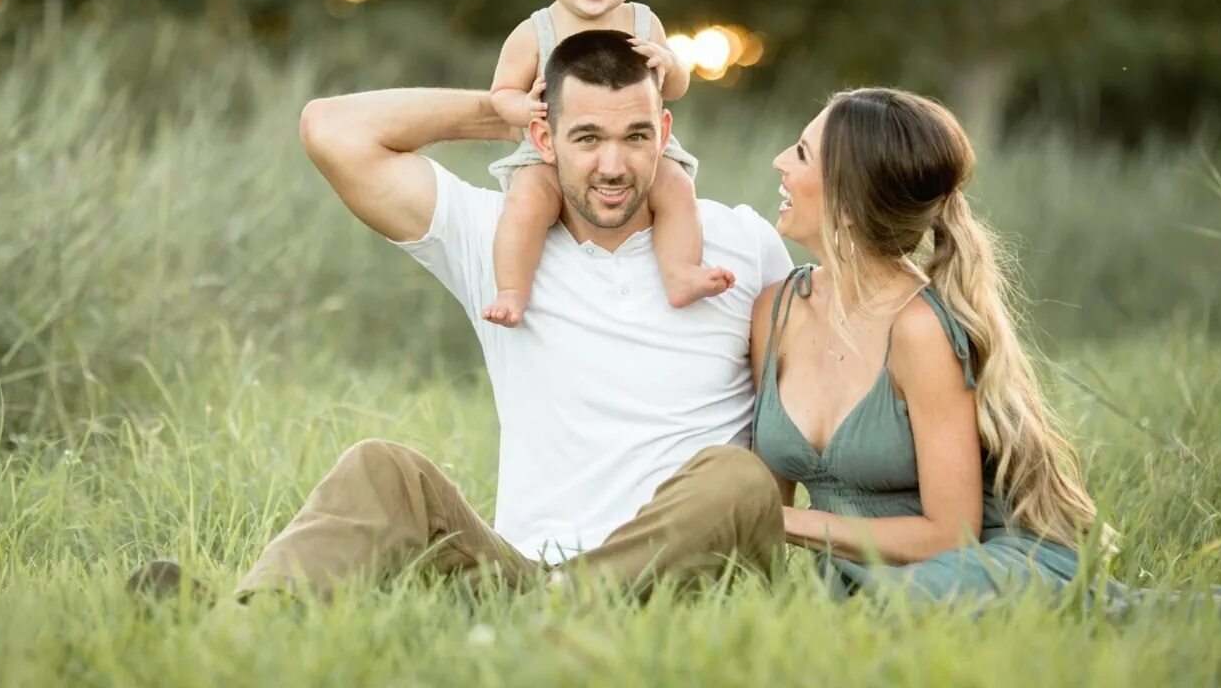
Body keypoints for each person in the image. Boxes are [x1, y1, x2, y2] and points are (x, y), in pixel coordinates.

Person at [129, 31, 794, 604]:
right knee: (381, 467)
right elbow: (332, 129)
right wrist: (501, 110)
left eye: (636, 136)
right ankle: (247, 622)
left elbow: (785, 429)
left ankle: (559, 604)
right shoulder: (496, 239)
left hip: (686, 573)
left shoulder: (741, 242)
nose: (613, 165)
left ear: (665, 133)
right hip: (527, 571)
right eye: (586, 137)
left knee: (738, 477)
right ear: (544, 137)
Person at [754, 87, 1221, 609]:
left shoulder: (918, 330)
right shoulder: (774, 313)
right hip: (863, 586)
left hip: (972, 567)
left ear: (848, 202)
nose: (780, 161)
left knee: (900, 606)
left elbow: (949, 536)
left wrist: (786, 522)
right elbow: (763, 514)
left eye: (801, 153)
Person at [481, 0, 732, 329]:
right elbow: (501, 92)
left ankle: (680, 273)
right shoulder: (534, 31)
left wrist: (668, 63)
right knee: (526, 200)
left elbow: (675, 87)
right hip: (550, 153)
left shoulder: (642, 20)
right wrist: (525, 109)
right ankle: (512, 289)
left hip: (635, 149)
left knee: (675, 185)